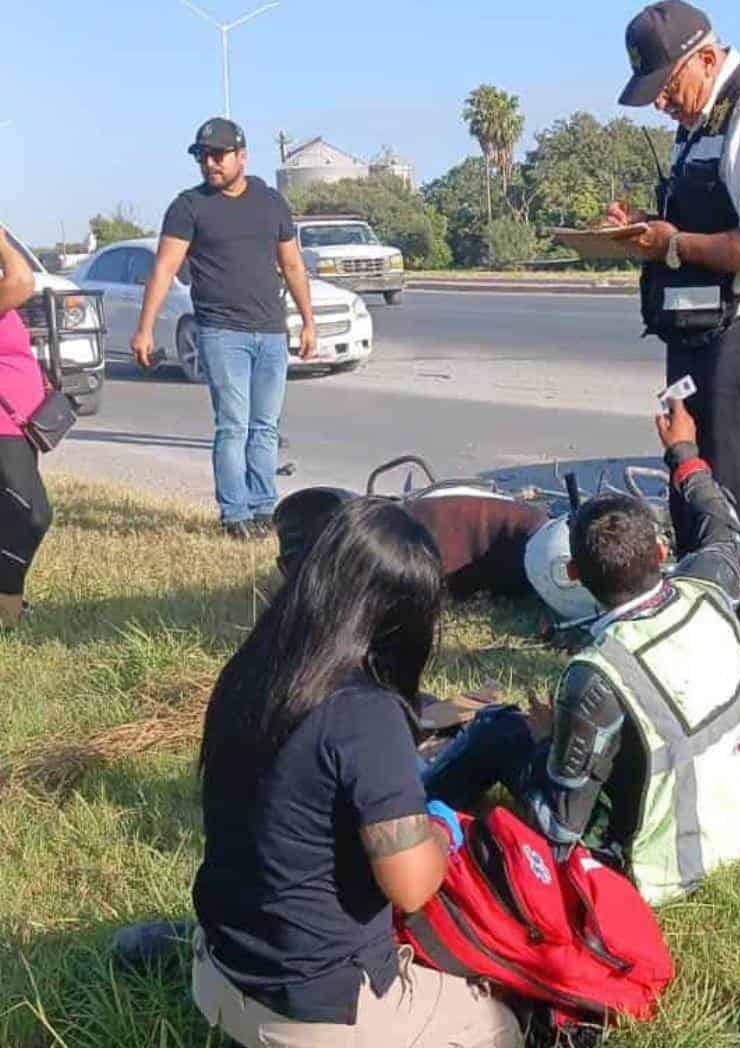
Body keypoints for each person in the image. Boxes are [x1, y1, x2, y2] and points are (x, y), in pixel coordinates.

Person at [190, 498, 521, 1047]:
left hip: (218, 973)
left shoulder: (254, 665)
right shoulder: (366, 715)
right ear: (404, 616)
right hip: (312, 1013)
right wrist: (439, 830)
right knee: (500, 1023)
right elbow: (412, 886)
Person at [422, 399, 740, 906]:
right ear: (663, 554)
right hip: (731, 828)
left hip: (654, 871)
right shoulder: (710, 589)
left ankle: (406, 812)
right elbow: (725, 528)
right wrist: (683, 454)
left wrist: (543, 737)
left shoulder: (597, 675)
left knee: (498, 728)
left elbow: (557, 828)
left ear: (575, 576)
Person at [605, 0, 740, 725]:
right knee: (691, 492)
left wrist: (672, 243)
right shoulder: (700, 126)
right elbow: (699, 227)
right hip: (696, 335)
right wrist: (645, 233)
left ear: (705, 56)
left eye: (668, 85)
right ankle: (716, 652)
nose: (662, 101)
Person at [131, 118, 316, 539]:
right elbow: (164, 268)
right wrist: (144, 329)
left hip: (270, 331)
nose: (209, 164)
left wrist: (308, 321)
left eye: (218, 155)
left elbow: (291, 264)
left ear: (242, 156)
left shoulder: (271, 203)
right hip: (220, 332)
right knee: (233, 424)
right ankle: (235, 514)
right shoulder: (188, 206)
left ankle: (262, 508)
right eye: (202, 156)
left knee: (265, 426)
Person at [0, 226, 49, 630]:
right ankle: (9, 609)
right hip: (2, 425)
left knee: (13, 513)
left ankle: (9, 606)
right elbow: (23, 281)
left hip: (17, 422)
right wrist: (2, 241)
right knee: (29, 515)